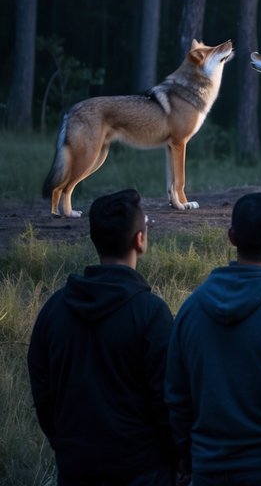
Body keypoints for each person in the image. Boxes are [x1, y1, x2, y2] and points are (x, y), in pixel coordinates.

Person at [165, 192, 261, 485]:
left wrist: (186, 458)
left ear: (232, 237)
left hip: (207, 469)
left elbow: (176, 399)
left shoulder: (192, 309)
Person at [27, 189, 176, 486]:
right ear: (140, 240)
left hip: (76, 469)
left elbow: (41, 392)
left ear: (94, 239)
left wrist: (65, 444)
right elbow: (167, 401)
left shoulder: (54, 310)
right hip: (143, 471)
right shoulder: (151, 313)